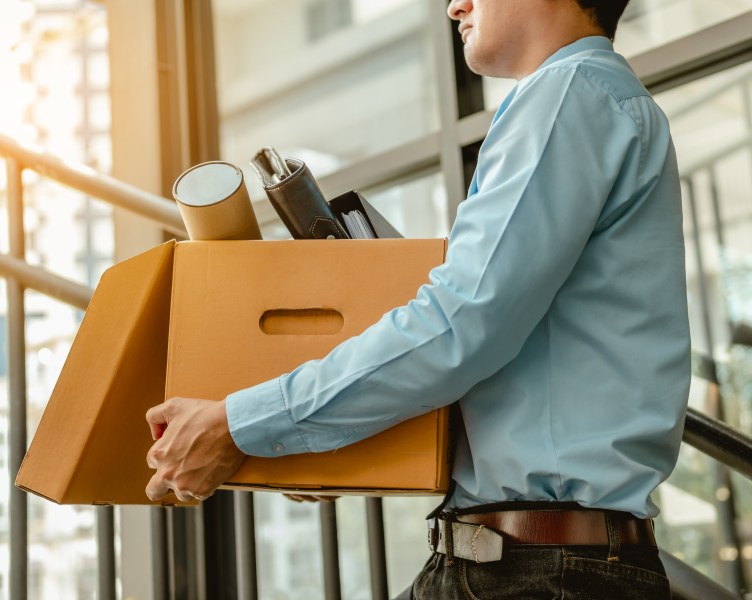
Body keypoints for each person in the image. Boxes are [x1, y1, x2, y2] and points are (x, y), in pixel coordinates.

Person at [145, 0, 691, 597]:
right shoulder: (587, 99)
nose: (454, 5)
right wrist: (325, 438)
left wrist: (241, 422)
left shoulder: (567, 95)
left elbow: (461, 320)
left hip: (538, 572)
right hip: (525, 562)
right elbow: (507, 365)